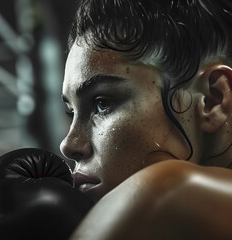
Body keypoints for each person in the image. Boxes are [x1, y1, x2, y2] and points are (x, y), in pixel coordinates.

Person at [60, 0, 232, 239]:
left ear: (213, 100)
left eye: (102, 103)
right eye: (71, 112)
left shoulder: (169, 192)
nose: (68, 144)